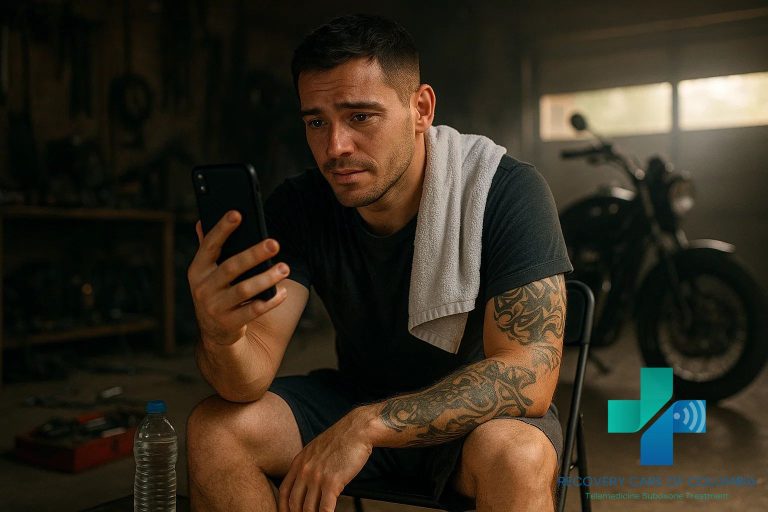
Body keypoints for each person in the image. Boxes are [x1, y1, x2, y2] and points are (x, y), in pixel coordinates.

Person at [186, 14, 572, 512]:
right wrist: (222, 335)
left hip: (476, 423)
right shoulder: (301, 206)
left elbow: (529, 374)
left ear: (421, 108)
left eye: (360, 117)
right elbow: (248, 376)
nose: (335, 147)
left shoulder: (504, 191)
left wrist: (370, 425)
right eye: (316, 122)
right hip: (354, 397)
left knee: (518, 455)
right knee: (216, 429)